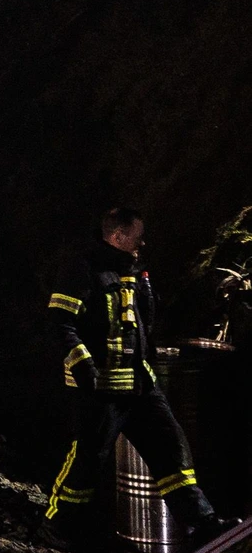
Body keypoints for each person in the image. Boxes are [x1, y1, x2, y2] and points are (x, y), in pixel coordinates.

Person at [43, 206, 230, 545]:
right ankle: (58, 526)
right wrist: (83, 364)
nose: (142, 245)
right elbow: (60, 322)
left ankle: (203, 523)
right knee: (88, 460)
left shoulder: (134, 271)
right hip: (101, 390)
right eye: (137, 238)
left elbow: (143, 325)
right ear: (118, 236)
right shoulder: (83, 269)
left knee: (172, 450)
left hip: (141, 387)